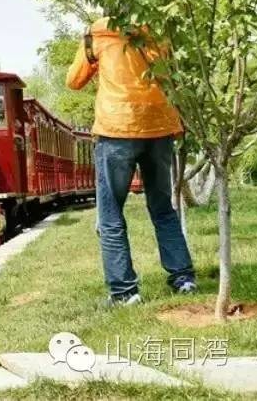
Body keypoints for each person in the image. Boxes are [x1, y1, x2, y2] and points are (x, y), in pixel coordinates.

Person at [67, 17, 196, 306]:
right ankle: (183, 279)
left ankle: (125, 292)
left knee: (111, 215)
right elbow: (172, 74)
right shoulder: (160, 29)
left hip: (116, 128)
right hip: (159, 126)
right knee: (163, 208)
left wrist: (95, 61)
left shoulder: (97, 33)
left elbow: (74, 81)